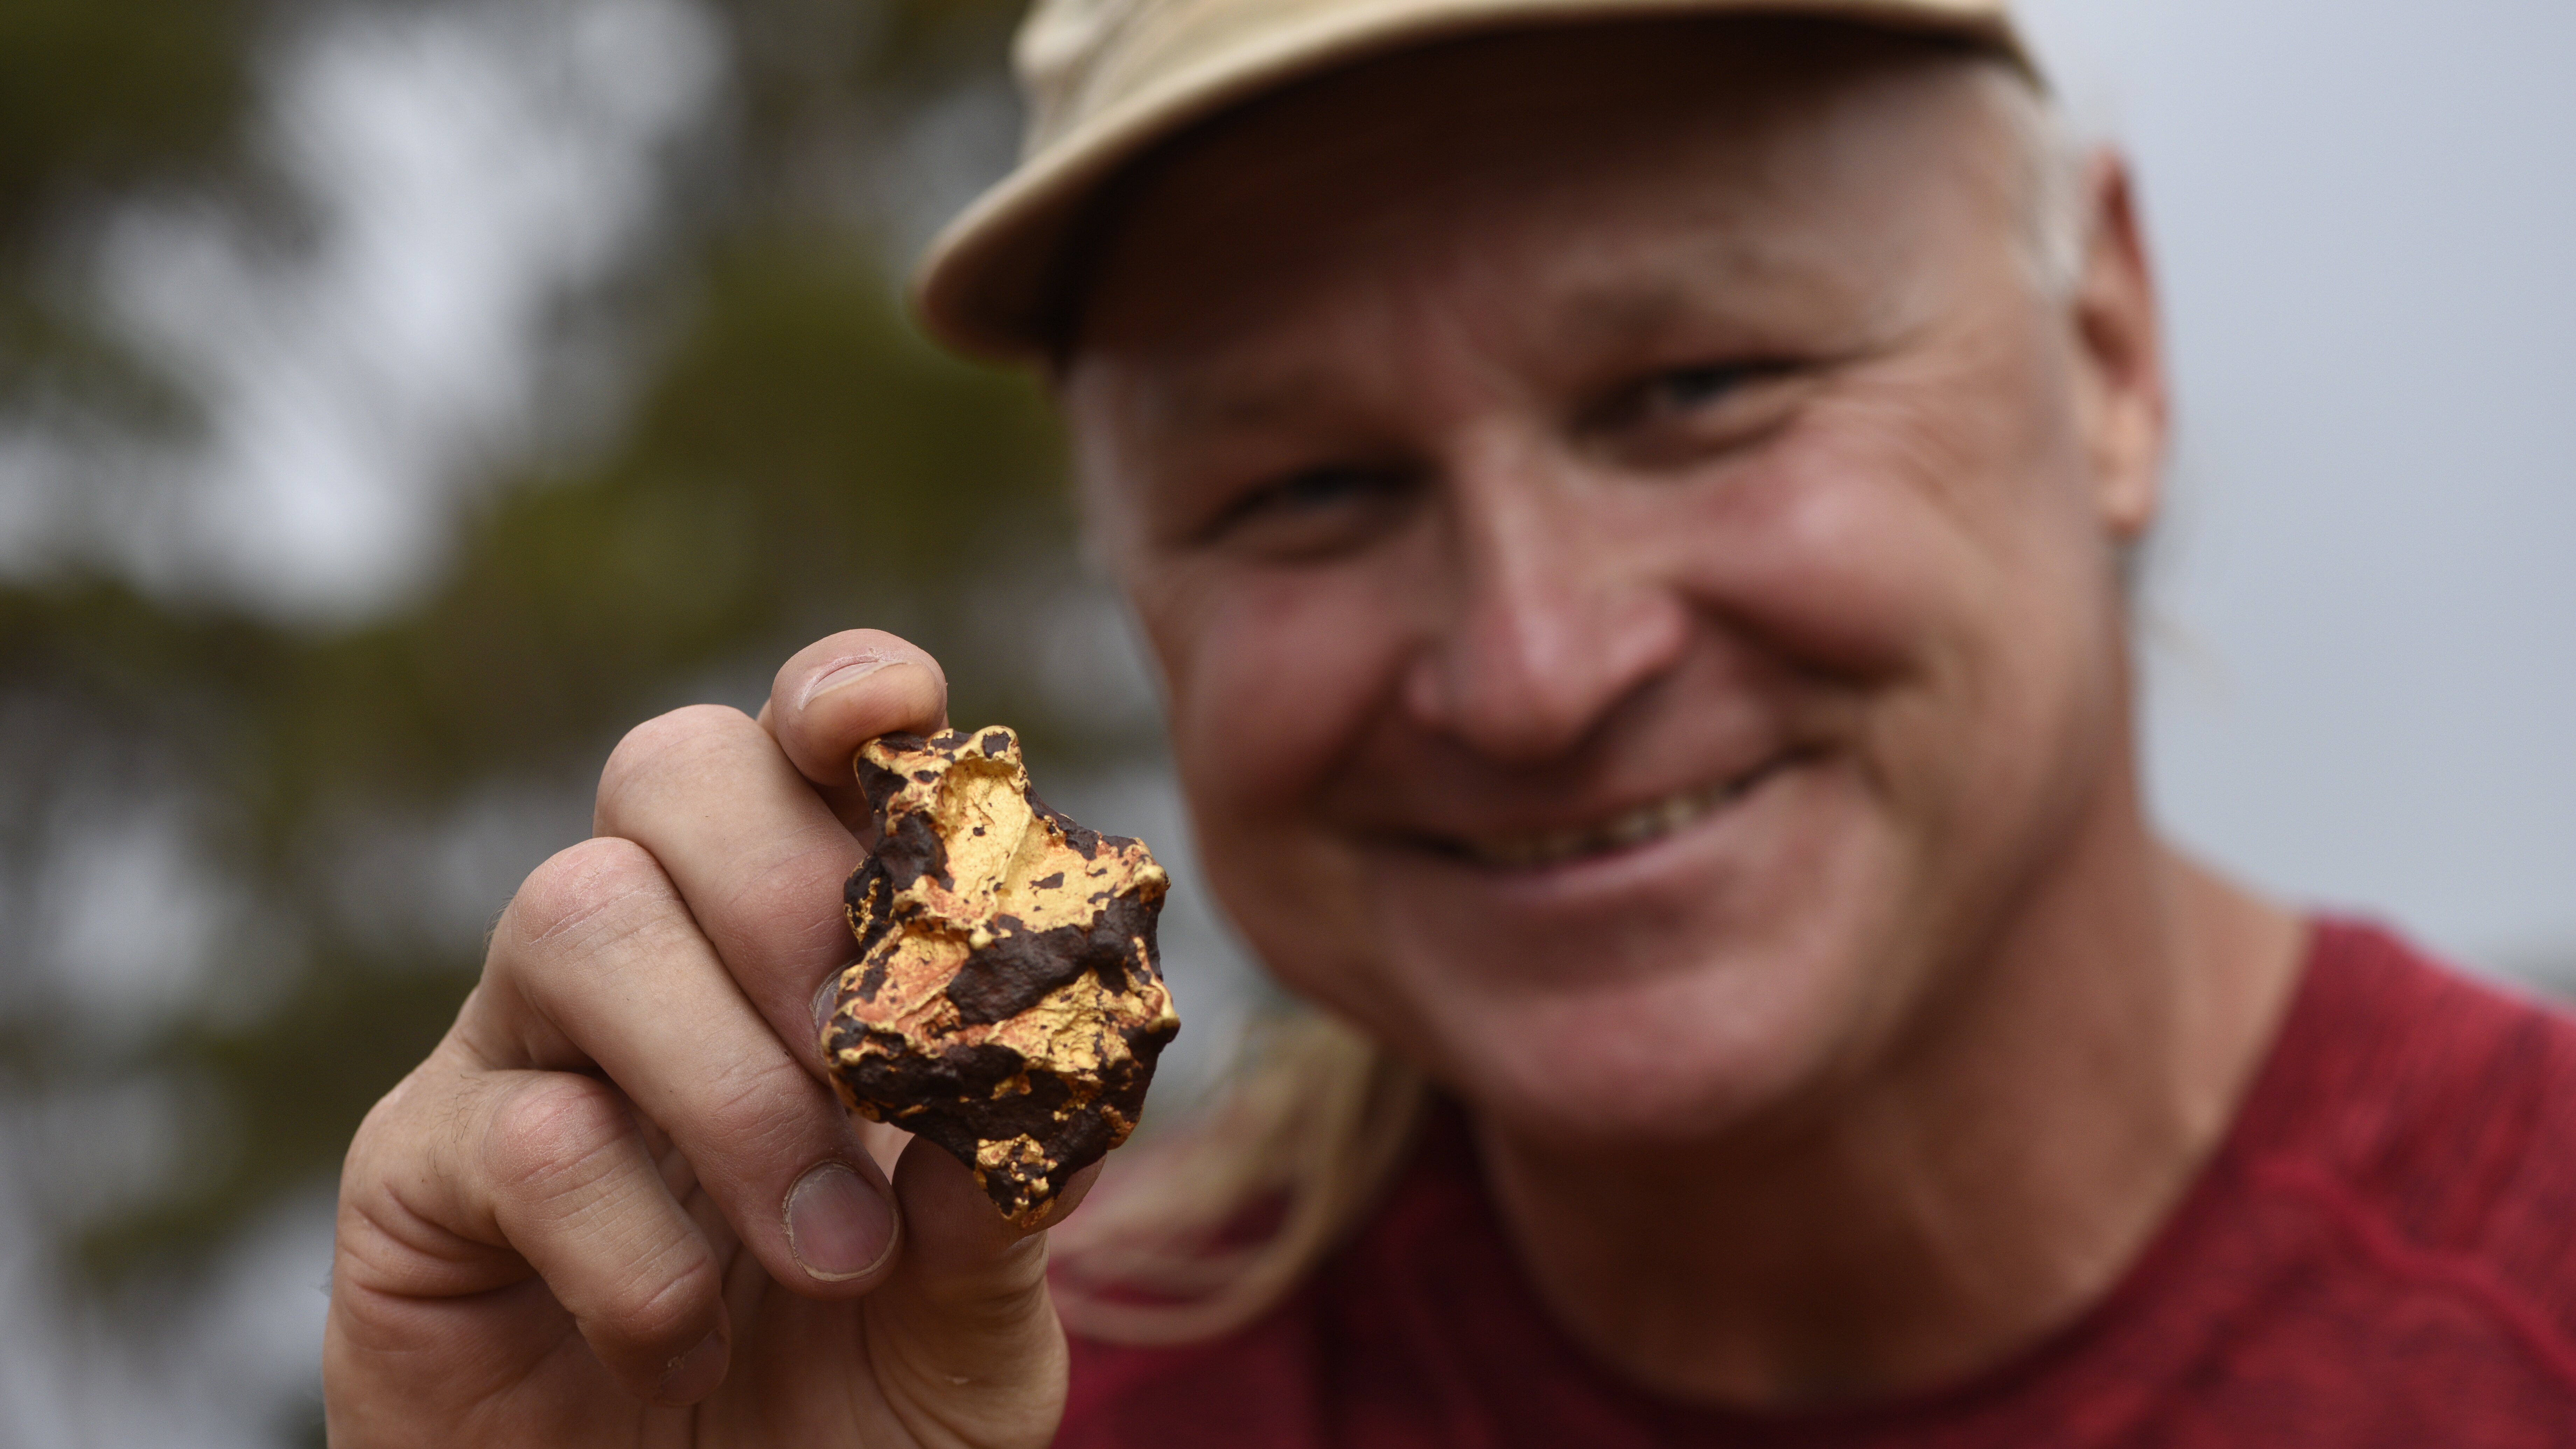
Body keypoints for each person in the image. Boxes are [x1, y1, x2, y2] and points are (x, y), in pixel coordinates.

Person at [321, 1, 2576, 1444]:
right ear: (1137, 586)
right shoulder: (981, 1395)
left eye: (1698, 386)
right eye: (1304, 488)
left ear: (2109, 358)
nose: (1535, 665)